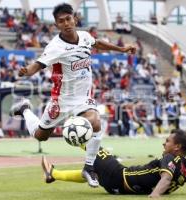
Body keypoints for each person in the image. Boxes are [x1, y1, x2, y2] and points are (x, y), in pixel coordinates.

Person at [9, 3, 136, 187]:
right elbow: (38, 64)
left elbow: (97, 43)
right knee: (40, 135)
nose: (66, 23)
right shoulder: (55, 46)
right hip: (61, 100)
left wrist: (122, 49)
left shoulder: (84, 36)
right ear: (57, 25)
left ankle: (89, 168)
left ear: (75, 19)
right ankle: (25, 109)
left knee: (97, 122)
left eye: (69, 19)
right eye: (61, 21)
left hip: (83, 98)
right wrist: (27, 71)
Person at [41, 129, 186, 198]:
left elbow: (166, 179)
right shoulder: (185, 170)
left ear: (177, 147)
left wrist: (155, 196)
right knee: (92, 172)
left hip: (118, 175)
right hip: (118, 188)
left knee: (91, 143)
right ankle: (53, 174)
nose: (164, 143)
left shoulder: (170, 158)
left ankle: (65, 127)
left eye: (167, 141)